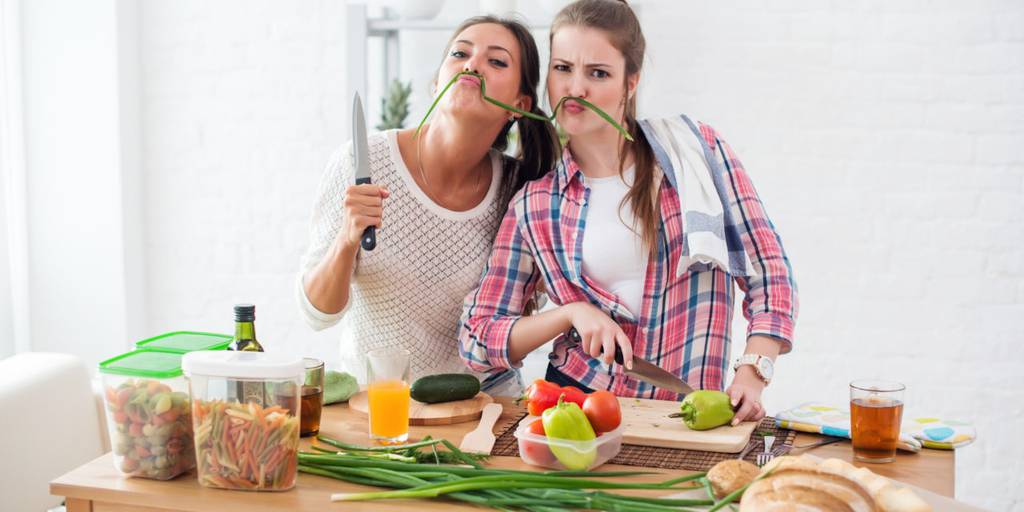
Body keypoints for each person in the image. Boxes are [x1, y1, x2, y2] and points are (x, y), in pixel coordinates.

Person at [459, 0, 797, 424]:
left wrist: (753, 372)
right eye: (563, 68)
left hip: (689, 411)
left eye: (597, 73)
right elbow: (476, 337)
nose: (575, 88)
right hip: (578, 410)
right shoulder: (536, 205)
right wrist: (569, 313)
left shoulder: (697, 153)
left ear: (630, 83)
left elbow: (770, 273)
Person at [297, 16, 558, 395]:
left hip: (484, 403)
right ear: (437, 80)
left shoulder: (521, 191)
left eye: (496, 61)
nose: (472, 65)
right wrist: (346, 239)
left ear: (519, 105)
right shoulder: (363, 162)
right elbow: (318, 313)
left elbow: (516, 317)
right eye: (460, 53)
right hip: (380, 406)